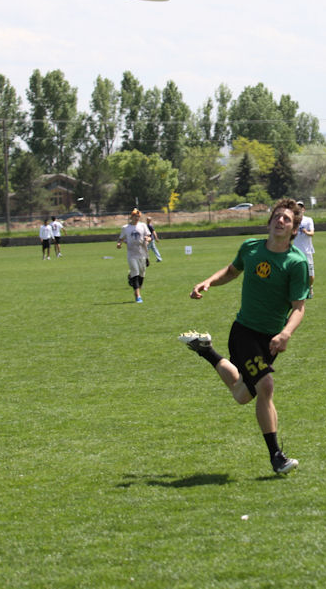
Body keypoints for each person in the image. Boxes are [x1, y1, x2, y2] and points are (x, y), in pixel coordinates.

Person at [179, 198, 309, 475]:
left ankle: (206, 350)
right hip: (244, 332)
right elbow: (231, 271)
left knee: (242, 395)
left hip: (270, 339)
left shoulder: (296, 263)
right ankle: (277, 457)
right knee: (266, 386)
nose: (280, 221)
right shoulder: (250, 248)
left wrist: (285, 333)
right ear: (269, 222)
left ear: (294, 229)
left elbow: (299, 307)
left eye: (286, 219)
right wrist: (209, 281)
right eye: (277, 216)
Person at [116, 209, 151, 303]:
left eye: (138, 217)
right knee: (135, 272)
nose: (137, 218)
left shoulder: (143, 226)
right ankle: (138, 295)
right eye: (135, 216)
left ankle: (131, 277)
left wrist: (148, 239)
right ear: (131, 217)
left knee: (142, 274)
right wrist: (119, 244)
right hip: (132, 254)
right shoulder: (125, 228)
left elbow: (149, 236)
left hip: (142, 253)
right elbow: (121, 239)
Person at [293, 200, 315, 297]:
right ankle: (298, 290)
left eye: (301, 207)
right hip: (296, 251)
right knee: (296, 273)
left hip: (307, 250)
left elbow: (312, 233)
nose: (299, 209)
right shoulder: (293, 220)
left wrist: (306, 232)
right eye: (297, 207)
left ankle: (310, 287)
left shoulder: (308, 220)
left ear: (304, 209)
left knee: (310, 274)